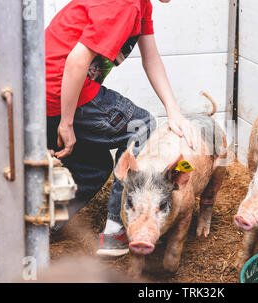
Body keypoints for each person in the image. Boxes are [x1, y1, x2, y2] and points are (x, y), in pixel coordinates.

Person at [45, 0, 198, 257]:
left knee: (96, 166)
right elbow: (76, 61)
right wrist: (67, 123)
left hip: (51, 92)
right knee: (142, 125)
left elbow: (151, 59)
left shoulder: (141, 5)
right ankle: (118, 229)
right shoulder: (124, 3)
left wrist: (174, 110)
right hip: (62, 89)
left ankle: (43, 223)